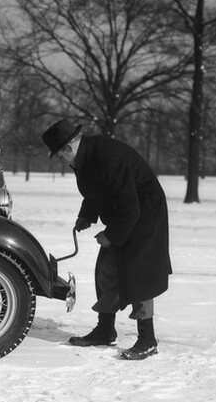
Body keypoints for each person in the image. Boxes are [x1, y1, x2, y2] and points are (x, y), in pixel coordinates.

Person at [42, 119, 172, 360]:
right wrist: (87, 215)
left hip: (144, 212)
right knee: (107, 269)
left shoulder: (105, 159)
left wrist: (111, 235)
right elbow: (98, 190)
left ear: (68, 148)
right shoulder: (87, 158)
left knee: (137, 272)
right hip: (127, 212)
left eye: (59, 156)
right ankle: (105, 330)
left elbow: (129, 206)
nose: (60, 162)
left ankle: (148, 339)